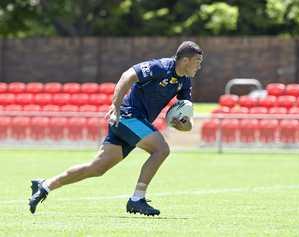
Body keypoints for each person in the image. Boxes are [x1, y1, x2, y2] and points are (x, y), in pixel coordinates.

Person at [28, 41, 203, 216]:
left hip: (134, 123)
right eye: (197, 61)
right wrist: (115, 106)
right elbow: (128, 75)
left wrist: (184, 124)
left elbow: (184, 118)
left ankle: (45, 185)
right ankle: (137, 199)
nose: (199, 66)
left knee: (96, 168)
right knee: (161, 149)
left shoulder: (185, 82)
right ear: (186, 60)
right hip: (127, 116)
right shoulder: (160, 67)